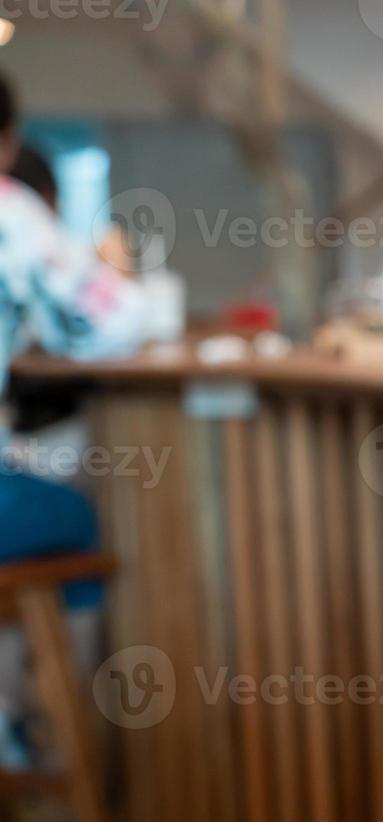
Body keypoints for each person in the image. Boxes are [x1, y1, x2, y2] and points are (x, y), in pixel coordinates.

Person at [0, 72, 146, 764]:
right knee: (73, 520)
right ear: (7, 141)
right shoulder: (10, 208)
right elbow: (109, 327)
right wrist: (115, 271)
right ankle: (56, 741)